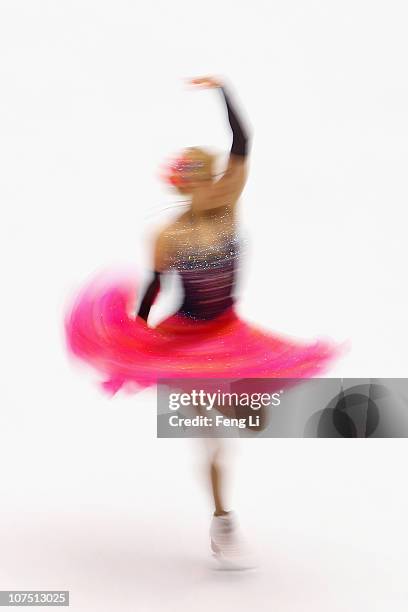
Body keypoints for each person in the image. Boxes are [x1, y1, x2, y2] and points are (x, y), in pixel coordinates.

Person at [65, 75, 342, 569]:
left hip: (229, 330)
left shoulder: (228, 205)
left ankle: (233, 424)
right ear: (179, 184)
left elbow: (244, 140)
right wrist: (139, 336)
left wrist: (223, 90)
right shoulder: (167, 236)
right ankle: (223, 521)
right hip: (187, 338)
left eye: (205, 177)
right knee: (213, 440)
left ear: (213, 178)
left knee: (250, 420)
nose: (200, 187)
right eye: (189, 181)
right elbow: (153, 290)